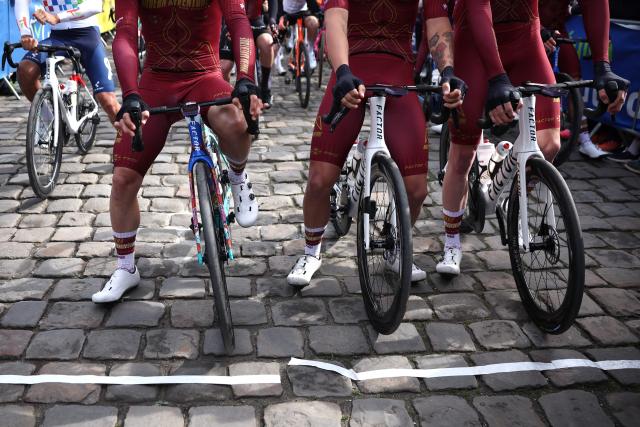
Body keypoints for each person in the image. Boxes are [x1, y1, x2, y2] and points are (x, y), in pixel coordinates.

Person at [436, 0, 629, 276]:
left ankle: (514, 199)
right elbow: (478, 8)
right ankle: (452, 240)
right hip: (476, 44)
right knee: (463, 153)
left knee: (550, 144)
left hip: (526, 41)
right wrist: (497, 77)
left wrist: (602, 67)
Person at [92, 0, 263, 303]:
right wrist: (131, 94)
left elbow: (238, 21)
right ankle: (125, 267)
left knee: (236, 120)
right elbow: (126, 33)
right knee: (122, 179)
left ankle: (237, 175)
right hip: (156, 80)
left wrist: (245, 79)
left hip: (205, 75)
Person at [287, 0, 465, 287]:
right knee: (320, 180)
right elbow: (335, 19)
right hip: (351, 70)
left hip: (397, 74)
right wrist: (342, 70)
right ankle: (311, 251)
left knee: (416, 189)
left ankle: (395, 245)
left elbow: (436, 23)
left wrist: (446, 71)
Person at [14, 0, 119, 122]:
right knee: (25, 70)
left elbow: (95, 5)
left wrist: (57, 17)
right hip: (57, 37)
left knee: (108, 102)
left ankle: (128, 138)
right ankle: (50, 121)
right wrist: (25, 33)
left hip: (87, 36)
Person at [539, 0, 608, 159]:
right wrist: (539, 30)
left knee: (574, 79)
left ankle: (584, 140)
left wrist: (603, 66)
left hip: (556, 30)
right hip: (528, 29)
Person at [220, 0, 279, 108]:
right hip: (233, 23)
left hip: (255, 21)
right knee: (224, 67)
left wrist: (272, 20)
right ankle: (228, 96)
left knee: (267, 43)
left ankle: (265, 89)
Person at [274, 0, 321, 75]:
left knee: (313, 22)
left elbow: (314, 8)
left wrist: (319, 14)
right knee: (276, 41)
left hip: (302, 13)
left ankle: (310, 51)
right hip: (285, 13)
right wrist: (279, 19)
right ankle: (276, 61)